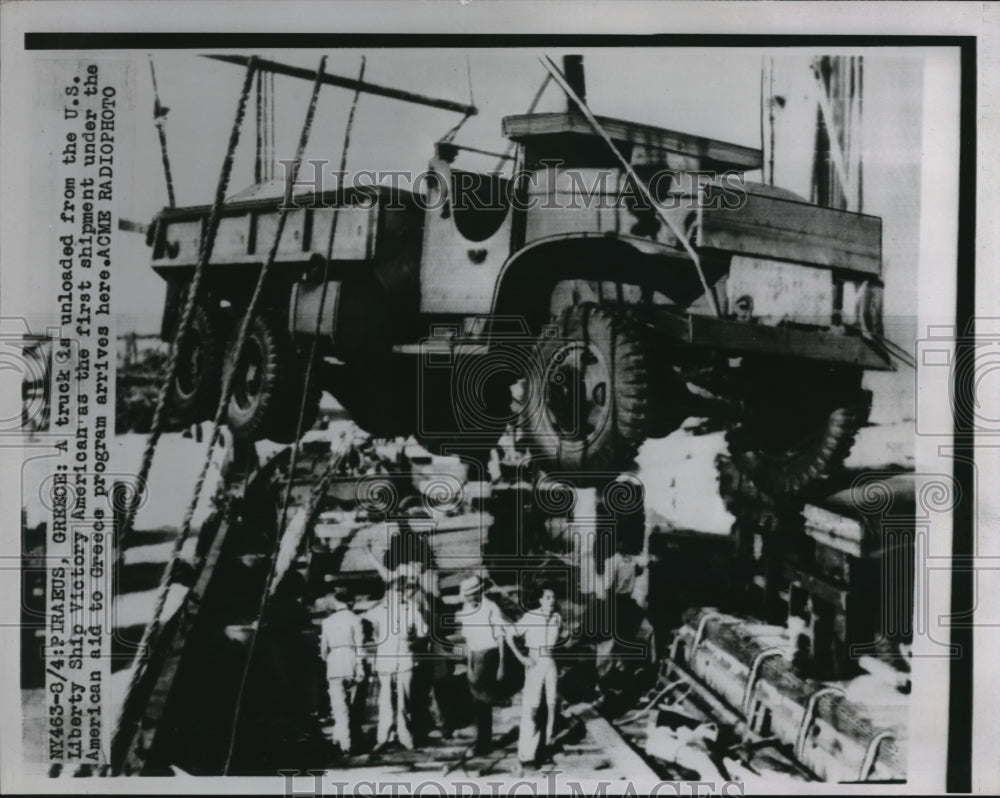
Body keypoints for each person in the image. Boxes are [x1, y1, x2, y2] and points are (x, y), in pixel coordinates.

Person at [456, 574, 516, 755]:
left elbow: (501, 638)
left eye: (475, 594)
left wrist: (502, 665)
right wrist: (469, 664)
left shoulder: (491, 608)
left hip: (490, 654)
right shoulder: (466, 609)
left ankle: (482, 743)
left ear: (481, 592)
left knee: (480, 701)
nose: (471, 598)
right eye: (468, 595)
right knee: (476, 698)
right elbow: (468, 639)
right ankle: (497, 703)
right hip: (474, 655)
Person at [366, 578, 428, 752]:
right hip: (388, 661)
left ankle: (404, 737)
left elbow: (424, 631)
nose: (399, 594)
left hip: (403, 660)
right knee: (388, 701)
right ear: (389, 593)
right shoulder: (379, 610)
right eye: (395, 591)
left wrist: (411, 638)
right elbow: (365, 620)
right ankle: (385, 737)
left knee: (402, 701)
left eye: (402, 591)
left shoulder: (411, 610)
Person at [514, 583, 563, 771]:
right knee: (532, 710)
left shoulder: (557, 618)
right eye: (548, 597)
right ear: (540, 599)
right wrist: (522, 658)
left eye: (553, 597)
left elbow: (558, 639)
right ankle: (526, 755)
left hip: (550, 664)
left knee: (551, 708)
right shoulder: (530, 617)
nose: (552, 601)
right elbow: (509, 635)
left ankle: (545, 748)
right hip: (535, 662)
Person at [319, 587, 365, 755]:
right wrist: (360, 667)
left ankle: (342, 741)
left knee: (338, 706)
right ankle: (351, 741)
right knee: (354, 705)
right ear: (351, 602)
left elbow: (323, 650)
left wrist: (331, 659)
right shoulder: (355, 619)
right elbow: (360, 645)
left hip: (334, 662)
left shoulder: (327, 622)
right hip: (351, 659)